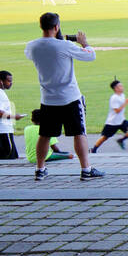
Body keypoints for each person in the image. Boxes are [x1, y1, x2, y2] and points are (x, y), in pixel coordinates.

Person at [24, 11, 104, 180]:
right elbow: (91, 56)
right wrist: (84, 43)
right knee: (79, 133)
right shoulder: (65, 46)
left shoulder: (32, 46)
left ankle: (40, 170)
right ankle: (86, 169)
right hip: (70, 98)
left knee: (44, 135)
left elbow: (39, 52)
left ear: (41, 26)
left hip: (48, 99)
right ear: (57, 26)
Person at [90, 79, 128, 152]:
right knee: (104, 137)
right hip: (112, 122)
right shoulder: (114, 98)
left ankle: (121, 140)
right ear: (116, 88)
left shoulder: (122, 95)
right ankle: (93, 149)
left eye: (122, 86)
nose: (122, 87)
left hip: (121, 121)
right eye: (120, 86)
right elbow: (117, 111)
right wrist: (125, 103)